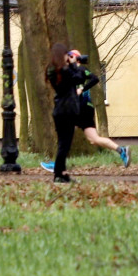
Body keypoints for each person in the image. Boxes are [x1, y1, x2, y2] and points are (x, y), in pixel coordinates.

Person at [41, 49, 130, 172]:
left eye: (69, 57)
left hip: (80, 108)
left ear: (74, 58)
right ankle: (121, 150)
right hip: (86, 109)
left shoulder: (78, 70)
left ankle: (57, 165)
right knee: (94, 139)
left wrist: (82, 89)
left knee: (64, 135)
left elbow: (94, 78)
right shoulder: (74, 71)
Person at [45, 43, 86, 183]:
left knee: (64, 144)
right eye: (66, 55)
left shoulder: (52, 71)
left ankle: (61, 173)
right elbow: (79, 78)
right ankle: (58, 174)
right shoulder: (65, 71)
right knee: (64, 145)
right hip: (67, 111)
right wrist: (76, 65)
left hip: (60, 111)